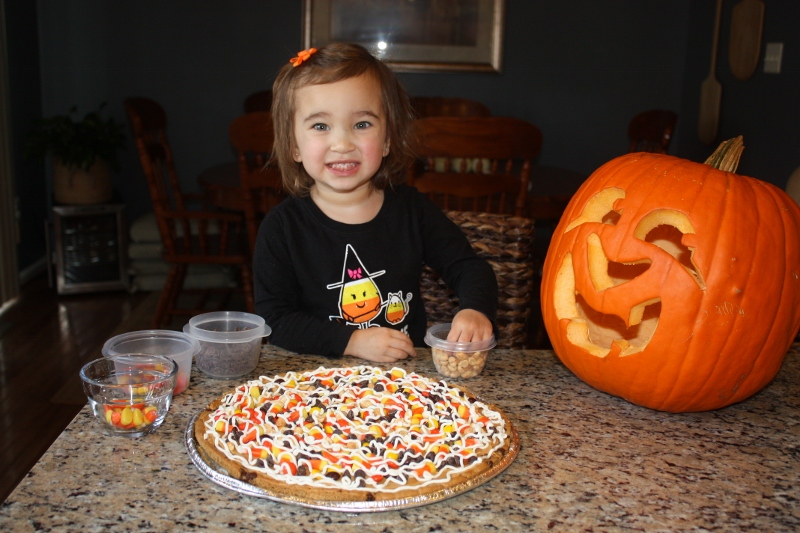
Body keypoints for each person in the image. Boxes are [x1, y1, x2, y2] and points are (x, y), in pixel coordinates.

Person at [254, 42, 497, 362]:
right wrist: (350, 341)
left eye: (362, 124)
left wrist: (475, 309)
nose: (342, 143)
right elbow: (275, 319)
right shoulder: (282, 227)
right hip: (316, 377)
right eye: (320, 126)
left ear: (387, 140)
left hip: (407, 377)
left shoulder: (413, 211)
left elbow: (470, 268)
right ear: (293, 146)